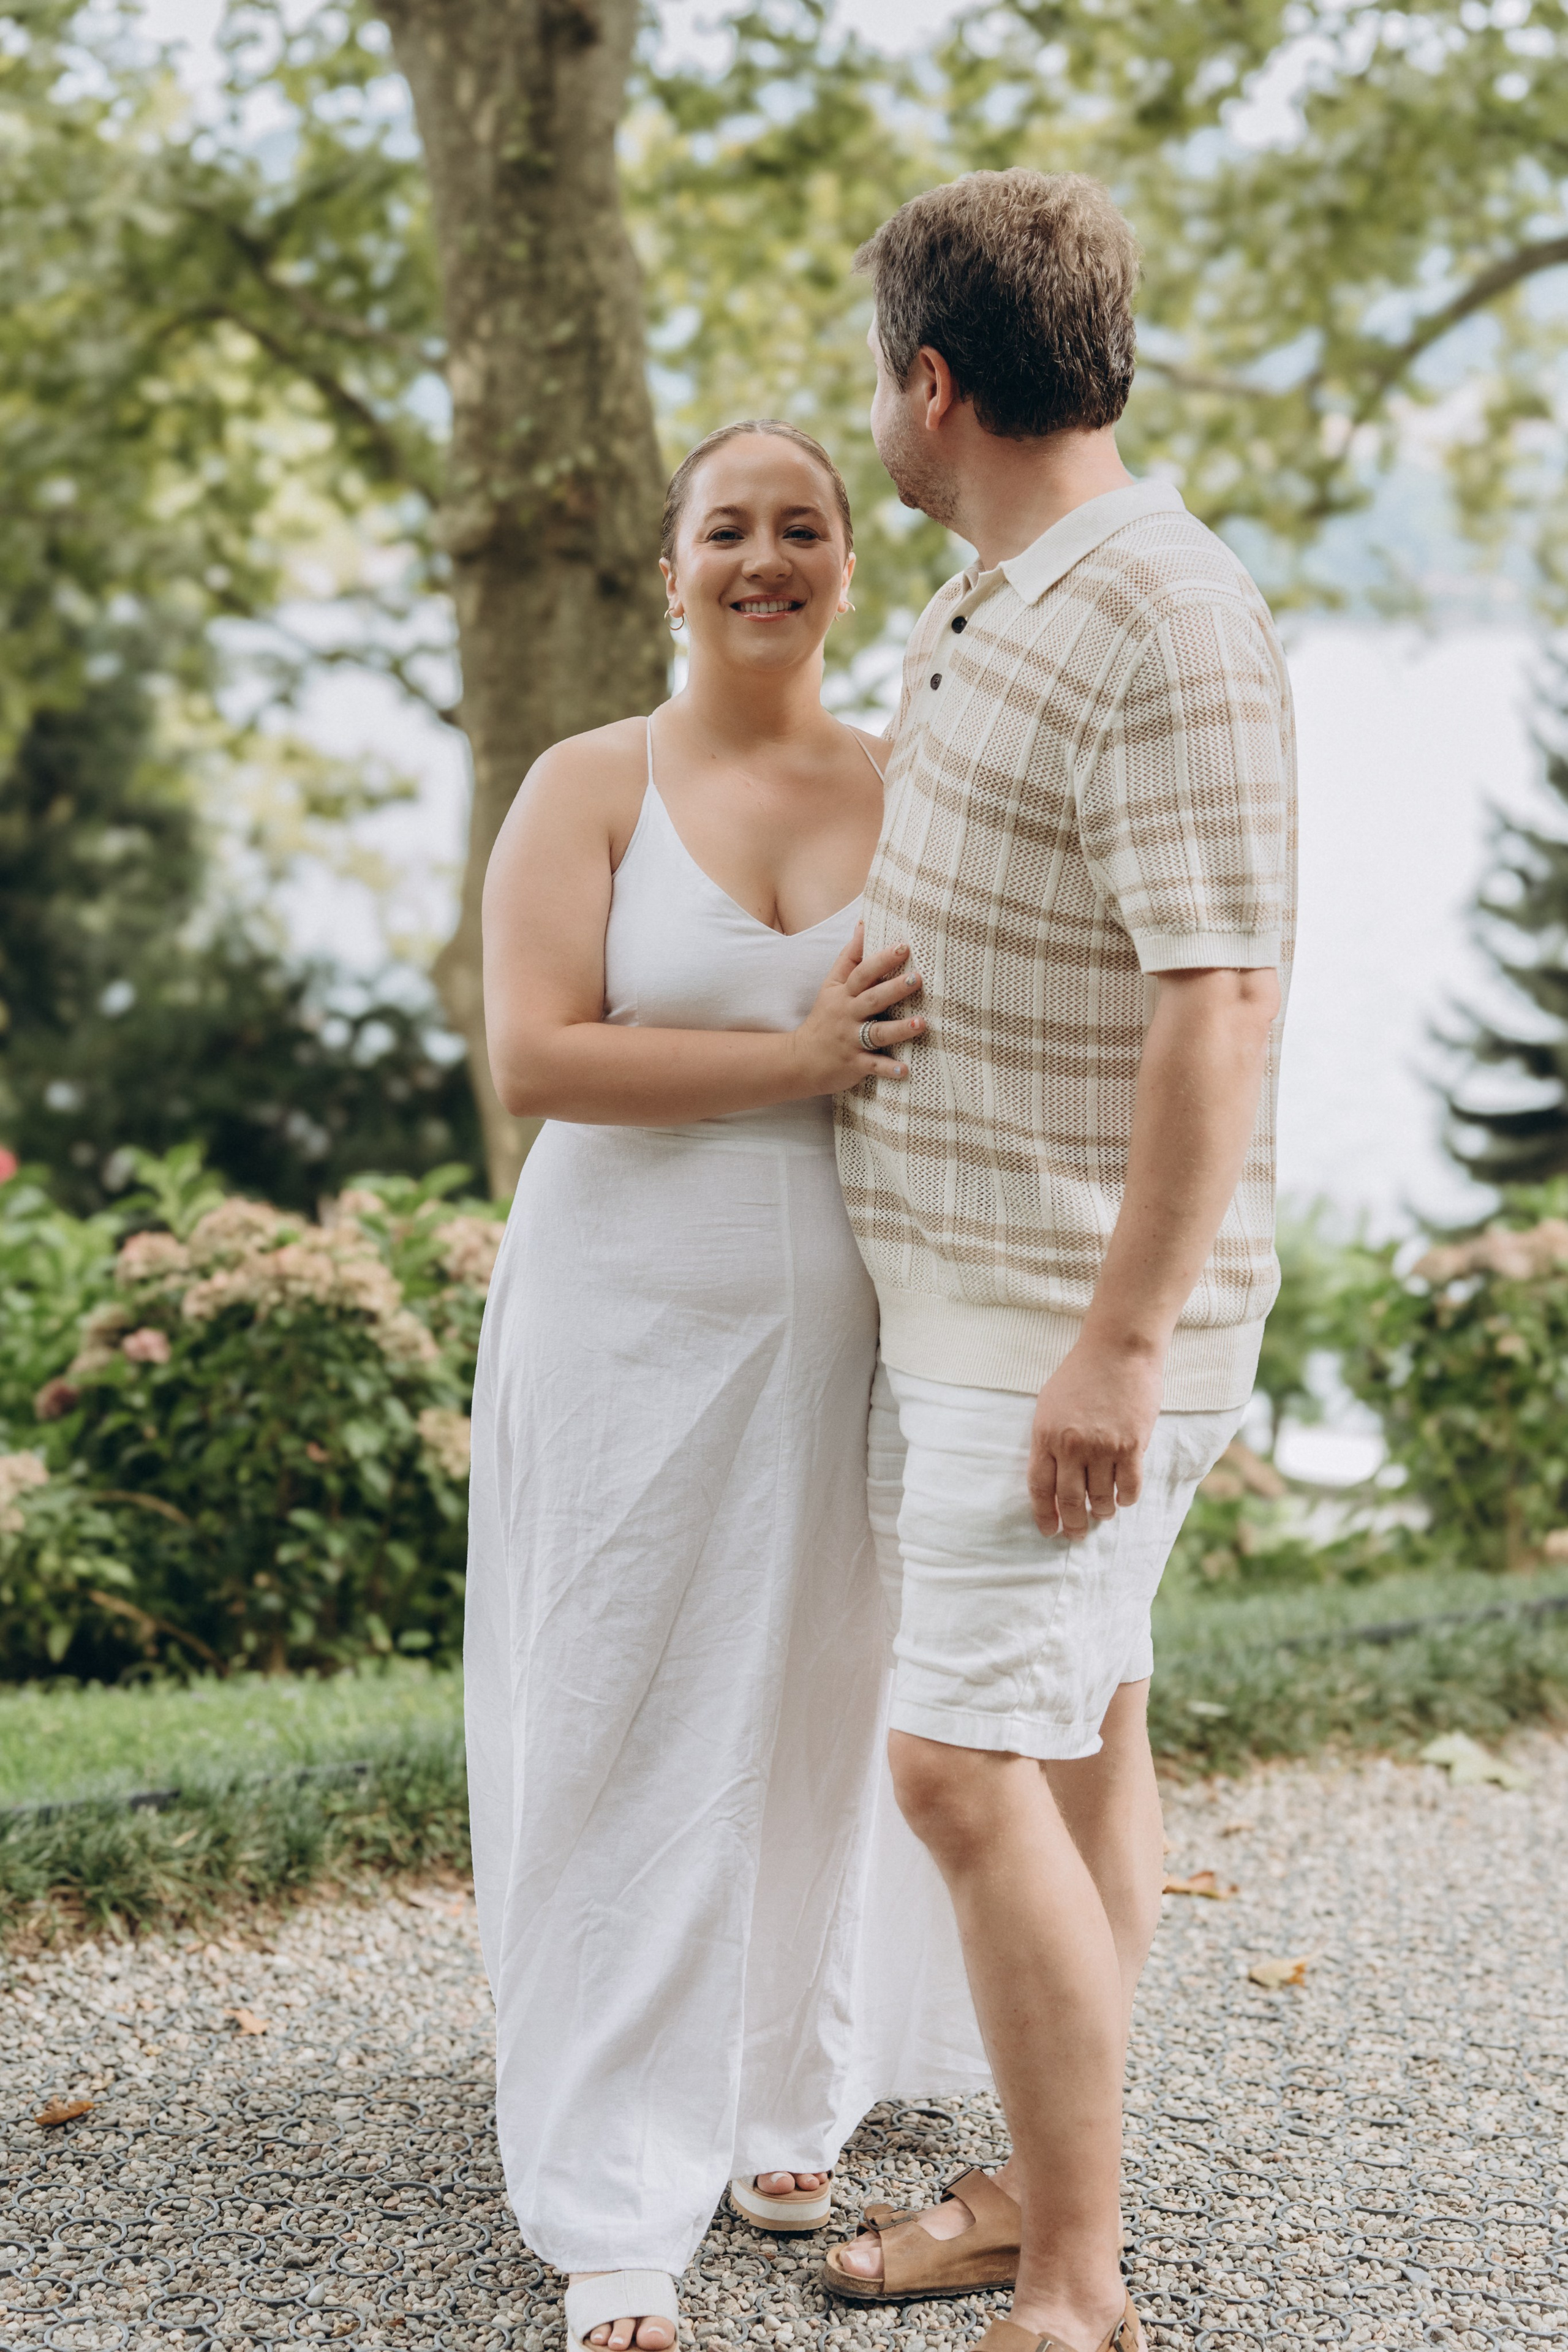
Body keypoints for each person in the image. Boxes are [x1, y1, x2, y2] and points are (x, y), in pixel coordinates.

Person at [826, 172, 1297, 2352]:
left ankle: (1083, 2287)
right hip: (967, 1295)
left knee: (953, 1768)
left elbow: (1221, 999)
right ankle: (1035, 2195)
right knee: (1089, 1739)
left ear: (934, 384)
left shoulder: (1166, 614)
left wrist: (1120, 1345)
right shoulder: (986, 598)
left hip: (1063, 1332)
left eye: (878, 383)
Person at [464, 421, 986, 2352]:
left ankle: (783, 2094)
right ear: (671, 569)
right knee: (623, 1701)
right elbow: (539, 1055)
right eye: (728, 530)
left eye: (803, 527)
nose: (765, 557)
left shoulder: (911, 781)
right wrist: (793, 1062)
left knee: (819, 1695)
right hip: (621, 1312)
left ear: (851, 564)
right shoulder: (587, 785)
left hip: (851, 1311)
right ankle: (612, 2189)